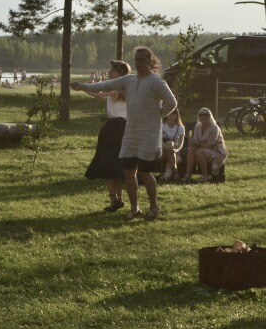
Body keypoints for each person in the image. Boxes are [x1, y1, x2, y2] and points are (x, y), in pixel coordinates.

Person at [71, 46, 177, 221]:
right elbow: (105, 85)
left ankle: (153, 206)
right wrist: (83, 86)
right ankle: (135, 208)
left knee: (145, 171)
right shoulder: (129, 80)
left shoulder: (156, 82)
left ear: (150, 62)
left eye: (142, 60)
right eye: (136, 59)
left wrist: (158, 115)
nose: (139, 63)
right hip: (131, 132)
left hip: (149, 133)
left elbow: (171, 102)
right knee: (128, 171)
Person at [81, 60, 131, 211]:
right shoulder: (126, 87)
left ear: (120, 73)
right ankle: (118, 199)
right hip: (124, 128)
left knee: (108, 164)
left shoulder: (117, 89)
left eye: (112, 70)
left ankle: (114, 199)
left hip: (115, 128)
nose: (109, 72)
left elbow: (98, 94)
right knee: (118, 165)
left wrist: (82, 87)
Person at [185, 108, 227, 183]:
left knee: (199, 151)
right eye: (201, 115)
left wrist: (197, 143)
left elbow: (210, 145)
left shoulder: (214, 128)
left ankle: (205, 176)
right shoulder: (198, 126)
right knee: (192, 149)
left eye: (206, 115)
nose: (203, 117)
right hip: (203, 148)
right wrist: (192, 142)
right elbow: (196, 140)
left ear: (210, 116)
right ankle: (188, 175)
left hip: (216, 151)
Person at [160, 109, 185, 182]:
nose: (171, 115)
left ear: (177, 116)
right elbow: (159, 141)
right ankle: (175, 171)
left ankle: (166, 176)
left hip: (176, 152)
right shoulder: (162, 126)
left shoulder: (180, 128)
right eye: (170, 113)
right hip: (163, 151)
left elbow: (180, 144)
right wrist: (167, 147)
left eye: (174, 113)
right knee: (169, 144)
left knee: (170, 161)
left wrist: (175, 150)